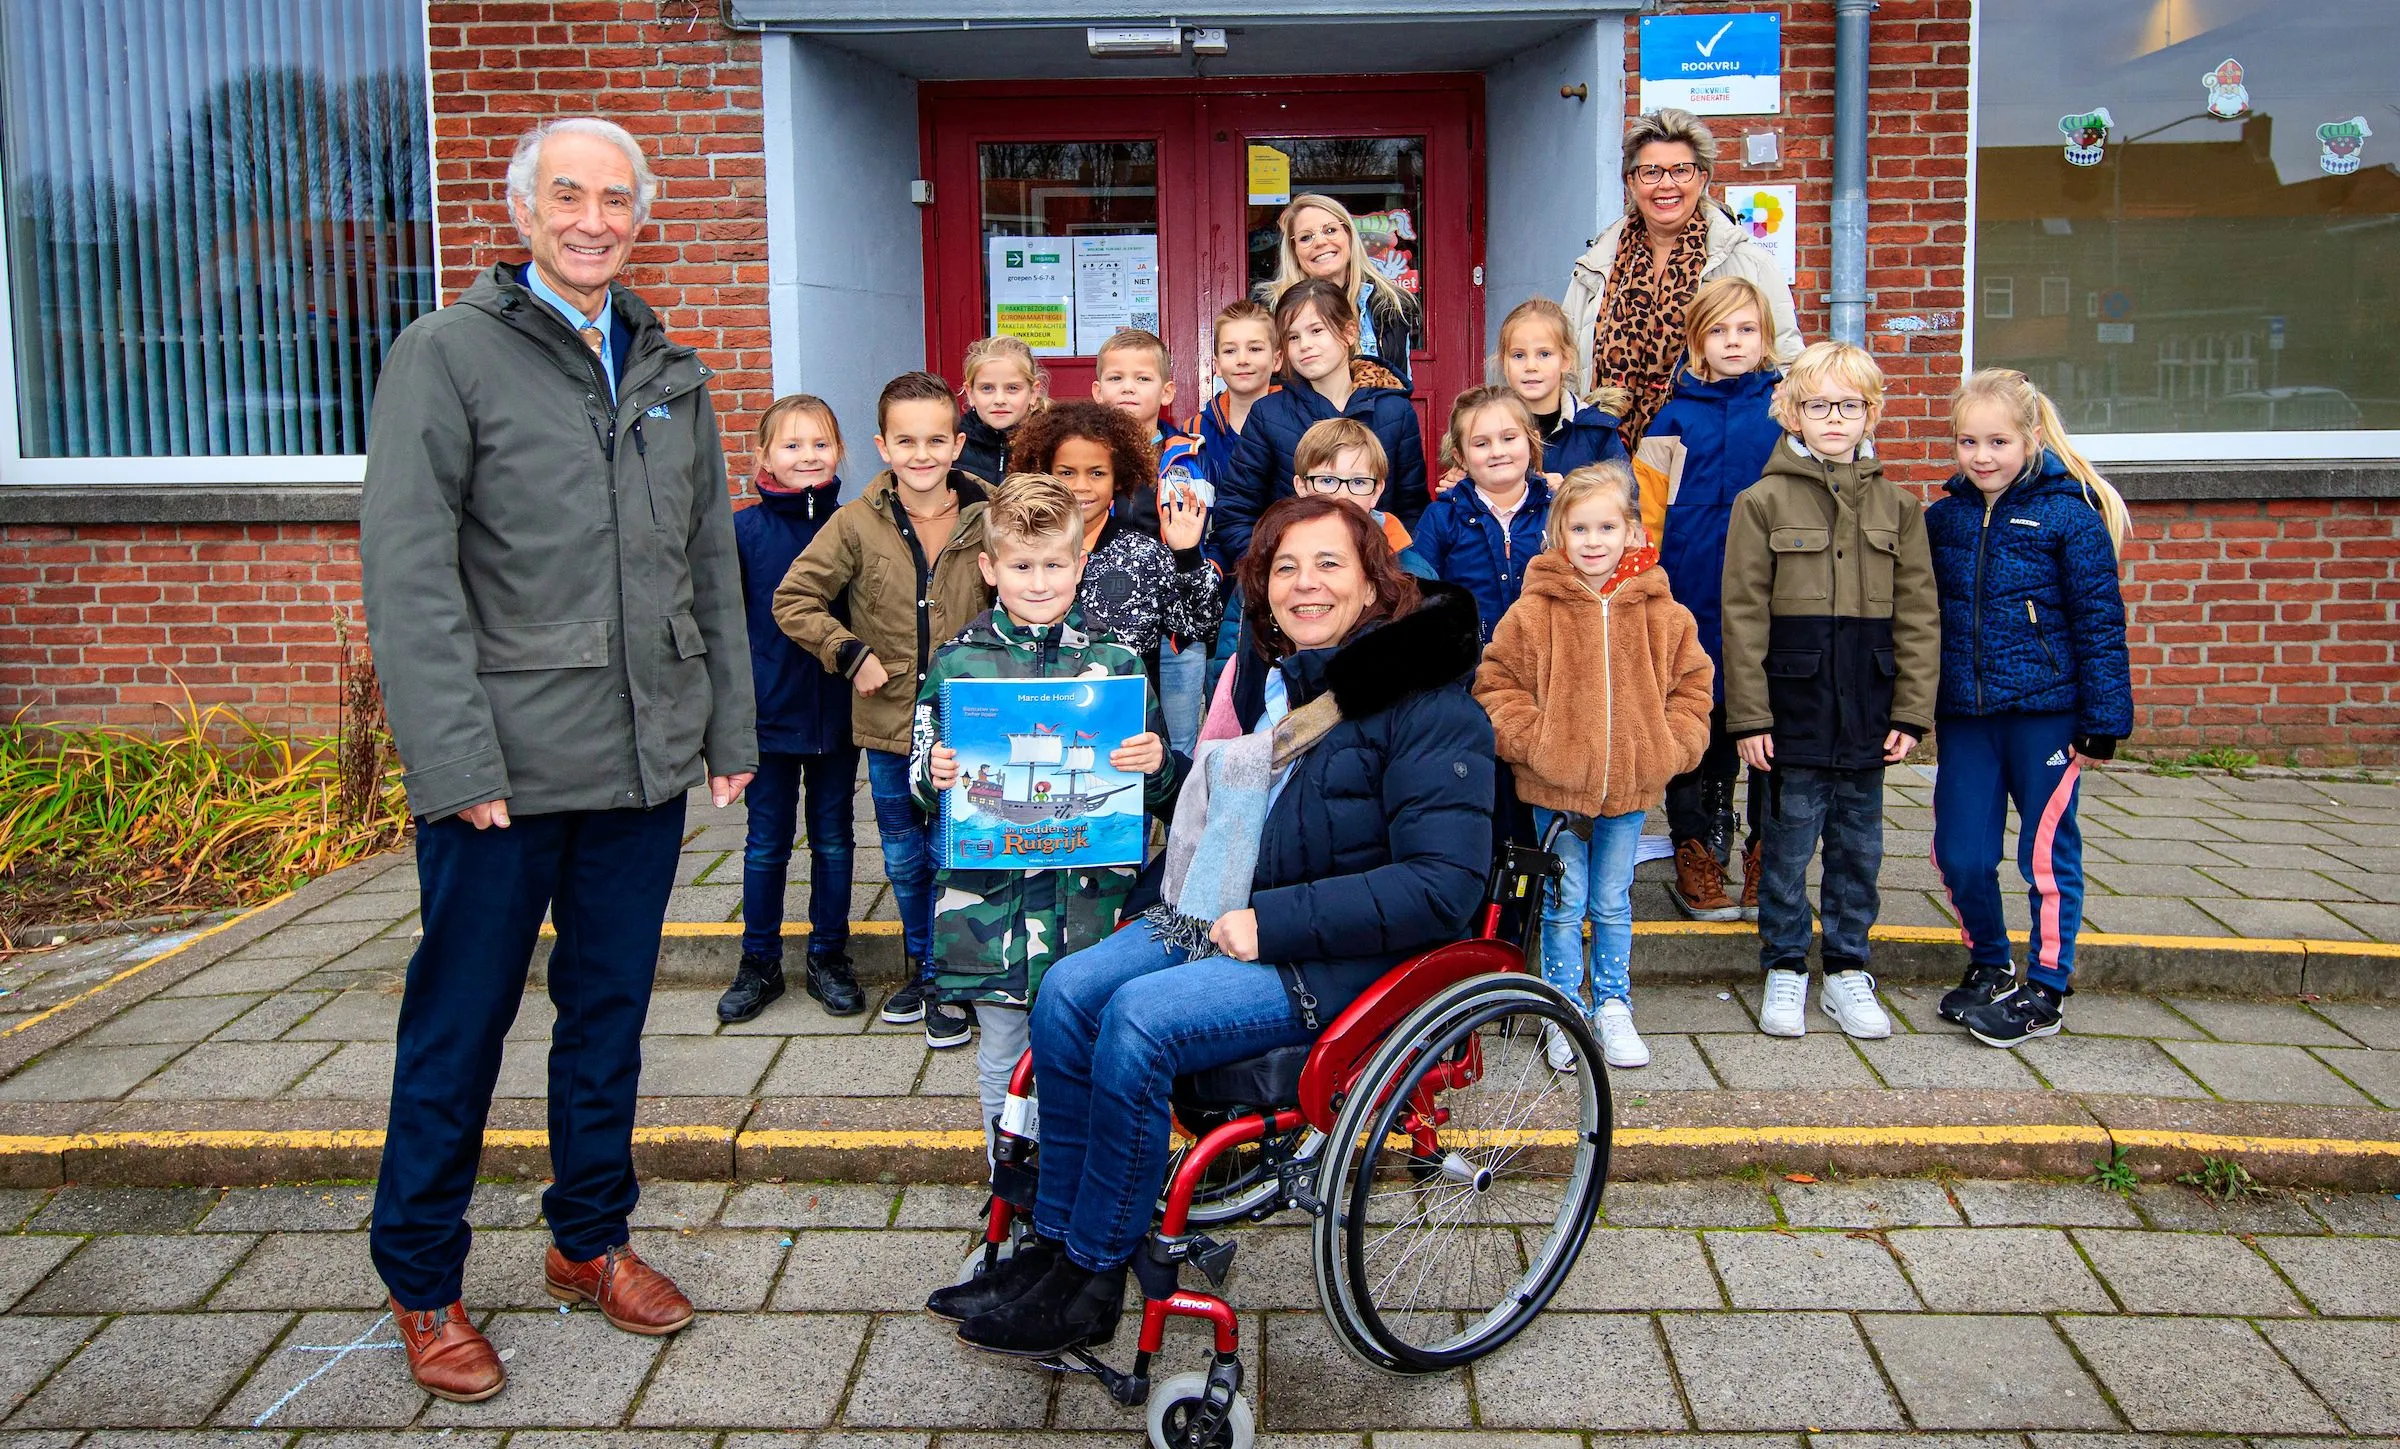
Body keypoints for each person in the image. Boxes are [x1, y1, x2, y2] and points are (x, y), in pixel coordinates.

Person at [358, 116, 752, 1402]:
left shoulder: (671, 368)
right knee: (460, 1027)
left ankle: (588, 1240)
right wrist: (453, 758)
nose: (594, 220)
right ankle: (423, 1279)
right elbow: (410, 572)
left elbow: (707, 561)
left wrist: (726, 732)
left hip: (640, 765)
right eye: (568, 197)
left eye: (616, 200)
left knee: (609, 1020)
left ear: (642, 216)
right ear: (522, 211)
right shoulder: (446, 354)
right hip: (503, 774)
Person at [924, 497, 1492, 1358]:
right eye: (1284, 567)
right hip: (1225, 909)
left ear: (1376, 580)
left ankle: (1095, 1272)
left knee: (1138, 1020)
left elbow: (1442, 886)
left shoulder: (1429, 706)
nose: (1304, 584)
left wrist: (1271, 921)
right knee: (1067, 990)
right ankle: (1058, 1242)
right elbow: (1249, 816)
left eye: (1329, 564)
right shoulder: (1289, 685)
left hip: (1339, 959)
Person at [913, 474, 1179, 1153]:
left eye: (1054, 565)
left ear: (1080, 564)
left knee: (1088, 1056)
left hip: (1092, 914)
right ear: (990, 568)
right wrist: (933, 777)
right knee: (1002, 1059)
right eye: (1022, 567)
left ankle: (1074, 1181)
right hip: (990, 914)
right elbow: (917, 783)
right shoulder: (956, 666)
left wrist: (1155, 764)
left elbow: (1163, 795)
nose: (1039, 583)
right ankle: (1007, 1185)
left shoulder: (1117, 664)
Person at [1721, 342, 1938, 1041]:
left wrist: (1911, 709)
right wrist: (1750, 716)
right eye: (1819, 405)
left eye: (1849, 405)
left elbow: (1920, 615)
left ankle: (1847, 968)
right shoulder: (1760, 503)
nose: (1835, 418)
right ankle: (1785, 965)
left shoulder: (1901, 507)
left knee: (1858, 850)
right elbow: (1743, 615)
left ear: (1871, 413)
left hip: (1869, 709)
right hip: (1793, 711)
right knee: (1786, 849)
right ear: (1792, 413)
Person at [775, 371, 993, 1049]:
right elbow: (794, 599)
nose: (921, 454)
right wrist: (848, 652)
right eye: (906, 441)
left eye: (935, 440)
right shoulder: (855, 522)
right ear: (882, 446)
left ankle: (960, 973)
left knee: (963, 851)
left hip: (972, 726)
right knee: (903, 855)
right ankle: (927, 970)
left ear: (957, 443)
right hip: (891, 725)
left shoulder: (992, 514)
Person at [1475, 461, 1713, 1072]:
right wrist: (1538, 744)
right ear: (1558, 534)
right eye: (1579, 528)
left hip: (1630, 789)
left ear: (1631, 531)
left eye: (1606, 527)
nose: (1593, 541)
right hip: (1554, 790)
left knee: (1611, 899)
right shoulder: (1534, 611)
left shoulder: (1664, 613)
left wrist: (1670, 748)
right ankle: (1564, 1009)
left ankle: (1613, 1004)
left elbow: (1692, 686)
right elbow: (1497, 685)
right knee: (1563, 900)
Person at [1928, 369, 2134, 1047]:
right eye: (1968, 441)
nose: (1982, 456)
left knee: (2045, 857)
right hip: (1967, 717)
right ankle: (1991, 964)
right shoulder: (1942, 520)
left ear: (2031, 438)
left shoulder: (2069, 516)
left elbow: (2099, 622)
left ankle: (2046, 989)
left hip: (2047, 715)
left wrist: (2103, 722)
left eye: (1998, 441)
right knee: (1960, 854)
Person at [718, 395, 864, 1026]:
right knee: (765, 844)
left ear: (840, 453)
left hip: (838, 716)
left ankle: (829, 956)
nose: (808, 456)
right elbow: (724, 628)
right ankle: (759, 961)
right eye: (792, 445)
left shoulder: (857, 524)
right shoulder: (742, 532)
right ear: (764, 456)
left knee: (833, 840)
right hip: (766, 718)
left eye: (821, 444)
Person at [1649, 276, 1787, 924]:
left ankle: (1766, 855)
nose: (1734, 342)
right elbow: (1645, 513)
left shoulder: (1786, 412)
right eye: (1719, 331)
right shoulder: (1672, 419)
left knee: (1767, 722)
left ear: (1765, 337)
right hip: (1690, 594)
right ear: (1697, 340)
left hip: (1771, 599)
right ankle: (1696, 850)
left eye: (1746, 330)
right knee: (1695, 726)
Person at [1563, 108, 1802, 445]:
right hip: (1602, 454)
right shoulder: (1596, 265)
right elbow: (1565, 366)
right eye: (1651, 172)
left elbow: (1789, 366)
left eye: (1681, 170)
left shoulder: (1748, 263)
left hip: (1710, 454)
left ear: (1702, 179)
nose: (1666, 184)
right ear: (1631, 182)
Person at [1008, 400, 1222, 693]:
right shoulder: (1020, 551)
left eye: (1097, 473)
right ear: (1045, 473)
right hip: (1038, 710)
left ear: (1118, 478)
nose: (1081, 486)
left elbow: (1201, 627)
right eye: (1067, 473)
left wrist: (1187, 557)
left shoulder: (1145, 555)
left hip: (1127, 717)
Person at [1218, 279, 1427, 569]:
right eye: (1293, 337)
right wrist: (1275, 569)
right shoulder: (1268, 414)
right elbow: (1235, 513)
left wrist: (1385, 572)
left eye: (1316, 331)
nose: (1305, 345)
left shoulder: (1395, 412)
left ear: (1349, 332)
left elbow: (1413, 509)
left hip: (1375, 576)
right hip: (1295, 578)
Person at [1091, 327, 1212, 752]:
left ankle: (1177, 794)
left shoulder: (1187, 457)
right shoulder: (1083, 458)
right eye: (1116, 378)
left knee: (1177, 741)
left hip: (1174, 629)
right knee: (1111, 737)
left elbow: (1206, 534)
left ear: (1166, 392)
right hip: (1102, 625)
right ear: (1097, 391)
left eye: (1142, 378)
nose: (1128, 387)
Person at [1412, 386, 1550, 643]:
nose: (1497, 451)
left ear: (1531, 442)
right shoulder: (1441, 518)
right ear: (1461, 457)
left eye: (1509, 438)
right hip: (1468, 663)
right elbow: (1417, 595)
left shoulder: (1557, 514)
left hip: (1544, 660)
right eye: (1481, 443)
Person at [1199, 298, 1281, 696]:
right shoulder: (1196, 430)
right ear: (1215, 363)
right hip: (1219, 571)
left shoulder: (1297, 422)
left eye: (1255, 348)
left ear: (1277, 358)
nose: (1243, 360)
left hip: (1278, 565)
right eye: (1230, 350)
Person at [1258, 191, 1421, 387]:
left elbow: (1400, 385)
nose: (1320, 242)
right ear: (1293, 250)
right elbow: (1261, 384)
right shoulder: (1270, 311)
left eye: (1330, 230)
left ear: (1349, 235)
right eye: (1306, 237)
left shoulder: (1389, 304)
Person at [1498, 297, 1629, 479]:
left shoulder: (1596, 431)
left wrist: (1567, 492)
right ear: (1504, 363)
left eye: (1544, 354)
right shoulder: (1487, 428)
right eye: (1518, 355)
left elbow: (1625, 492)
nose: (1530, 366)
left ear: (1565, 360)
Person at [1292, 416, 1433, 578]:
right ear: (1302, 487)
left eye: (1358, 482)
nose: (1343, 495)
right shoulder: (1280, 552)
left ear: (1376, 492)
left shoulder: (1409, 570)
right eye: (1327, 480)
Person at [955, 335, 1046, 488]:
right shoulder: (954, 442)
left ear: (1033, 393)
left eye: (1012, 388)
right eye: (987, 388)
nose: (999, 399)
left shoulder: (1051, 443)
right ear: (970, 393)